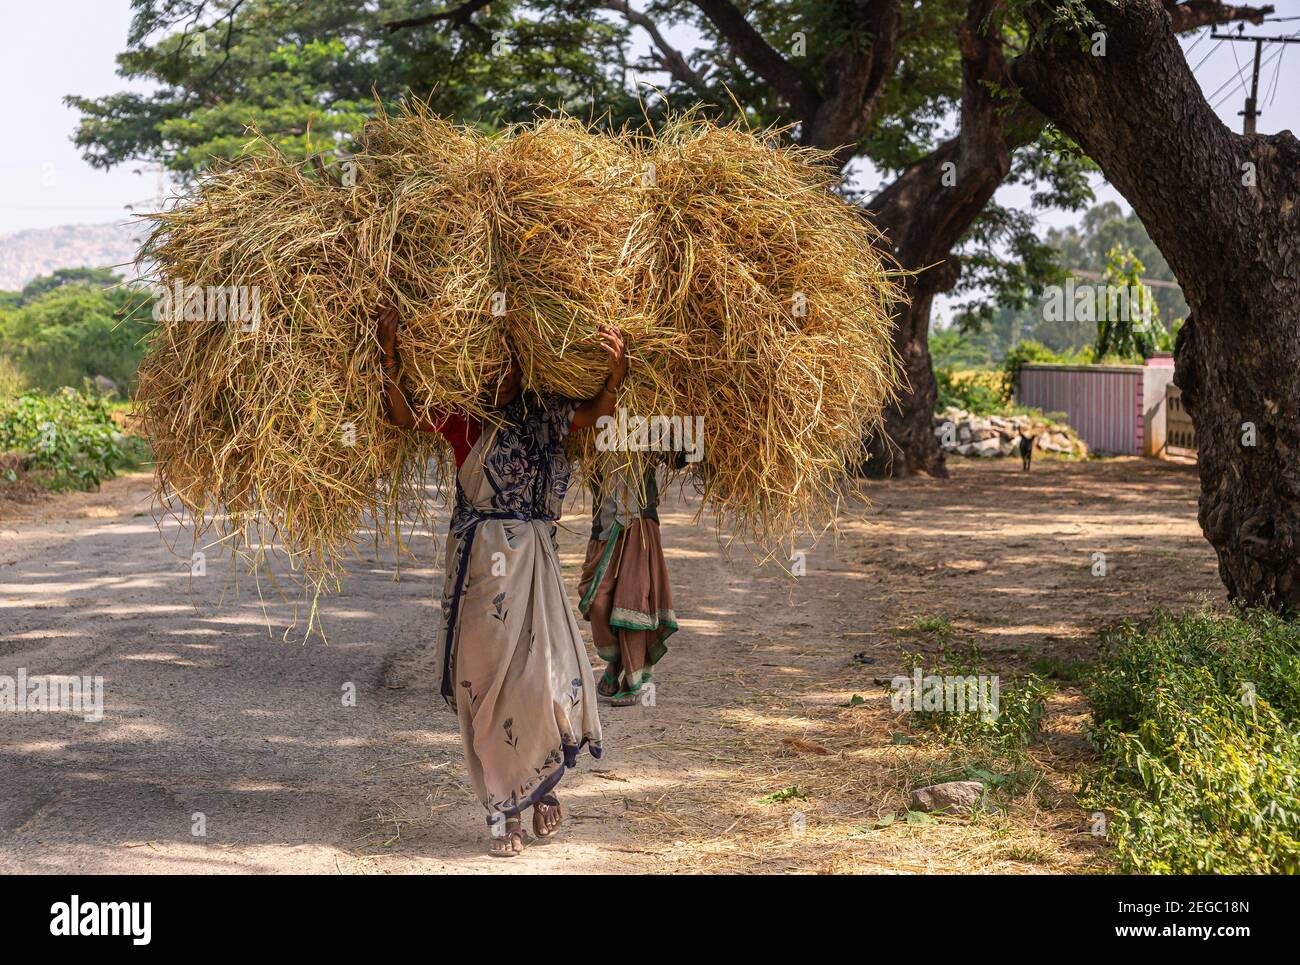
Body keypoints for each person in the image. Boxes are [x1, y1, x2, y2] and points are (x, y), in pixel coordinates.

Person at [377, 305, 628, 857]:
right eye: (489, 367)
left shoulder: (545, 416)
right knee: (485, 689)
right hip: (479, 572)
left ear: (524, 371)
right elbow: (403, 417)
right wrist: (389, 356)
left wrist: (615, 374)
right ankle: (505, 814)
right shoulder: (465, 420)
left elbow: (597, 412)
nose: (499, 376)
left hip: (533, 567)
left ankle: (540, 788)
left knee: (544, 675)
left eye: (508, 367)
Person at [577, 454, 678, 706]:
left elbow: (680, 458)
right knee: (597, 601)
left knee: (632, 603)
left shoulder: (648, 428)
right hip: (605, 527)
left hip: (640, 527)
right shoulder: (593, 432)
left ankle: (632, 683)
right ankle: (616, 659)